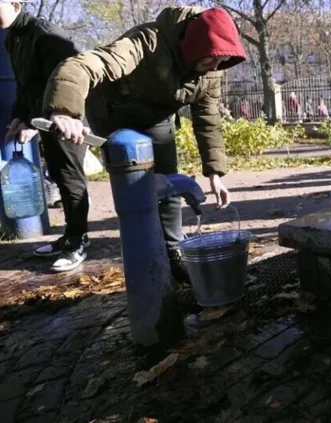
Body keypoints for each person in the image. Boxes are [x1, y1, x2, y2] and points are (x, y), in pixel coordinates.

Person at [42, 6, 247, 285]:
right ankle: (142, 262)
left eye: (219, 62)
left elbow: (208, 120)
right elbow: (83, 65)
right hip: (114, 112)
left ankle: (174, 249)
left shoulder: (214, 68)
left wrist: (215, 173)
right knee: (134, 187)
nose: (214, 67)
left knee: (169, 184)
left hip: (157, 117)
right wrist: (65, 110)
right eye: (210, 59)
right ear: (194, 45)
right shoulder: (145, 43)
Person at [1, 0, 91, 272]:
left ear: (15, 4)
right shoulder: (13, 39)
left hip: (68, 118)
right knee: (58, 175)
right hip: (43, 120)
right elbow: (26, 84)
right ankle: (69, 236)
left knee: (70, 177)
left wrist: (56, 115)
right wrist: (20, 117)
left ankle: (79, 241)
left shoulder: (45, 33)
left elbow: (67, 79)